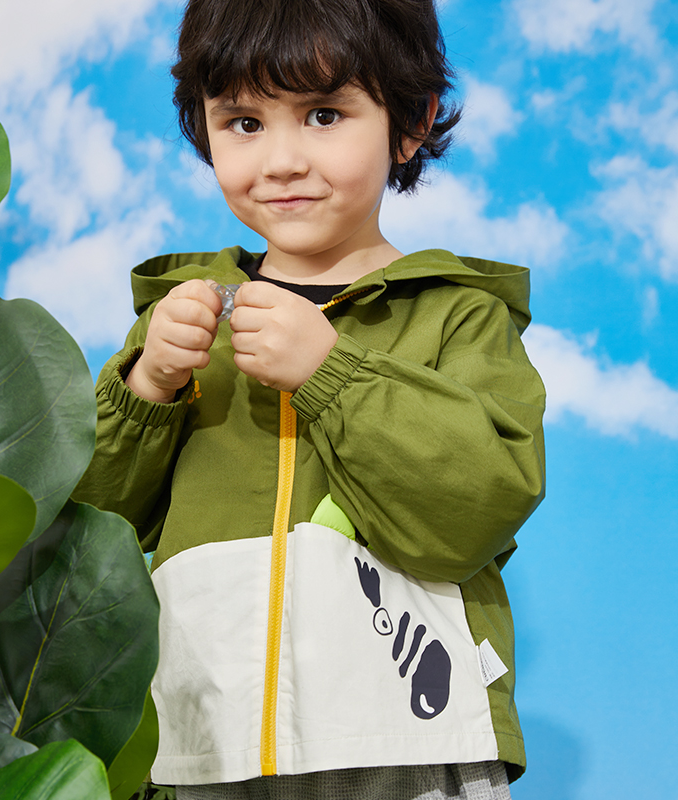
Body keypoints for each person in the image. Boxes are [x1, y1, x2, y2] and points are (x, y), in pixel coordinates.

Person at [73, 0, 546, 797]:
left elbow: (479, 506)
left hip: (403, 743)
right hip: (202, 745)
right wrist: (147, 387)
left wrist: (332, 372)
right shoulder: (179, 322)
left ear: (411, 122)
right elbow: (94, 534)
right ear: (204, 130)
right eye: (244, 123)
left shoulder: (459, 316)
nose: (283, 160)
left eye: (324, 114)